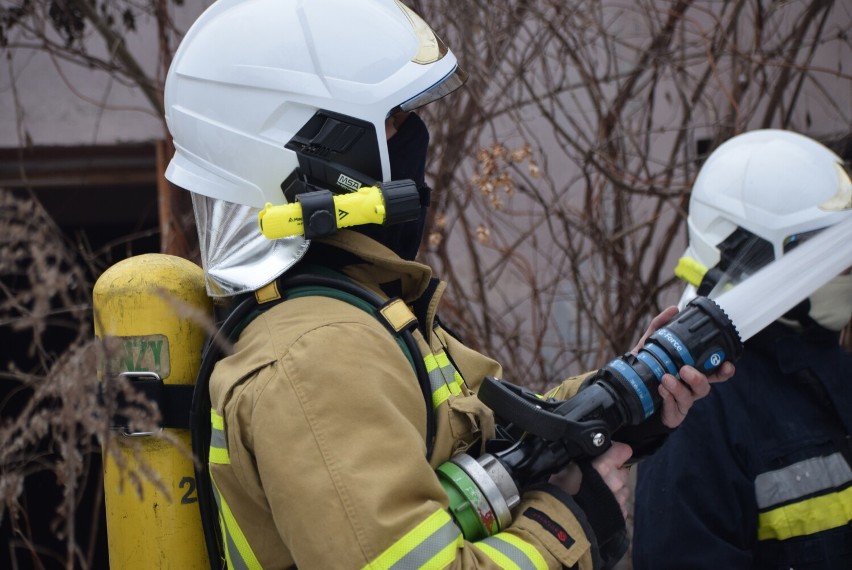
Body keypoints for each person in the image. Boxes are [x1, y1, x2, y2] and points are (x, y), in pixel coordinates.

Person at [163, 1, 732, 568]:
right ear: (313, 152)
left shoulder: (361, 312)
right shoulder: (317, 354)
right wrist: (565, 525)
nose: (415, 142)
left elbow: (499, 430)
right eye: (392, 122)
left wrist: (625, 399)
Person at [632, 129, 852, 569]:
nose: (844, 267)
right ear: (755, 259)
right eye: (826, 252)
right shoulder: (695, 403)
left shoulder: (828, 363)